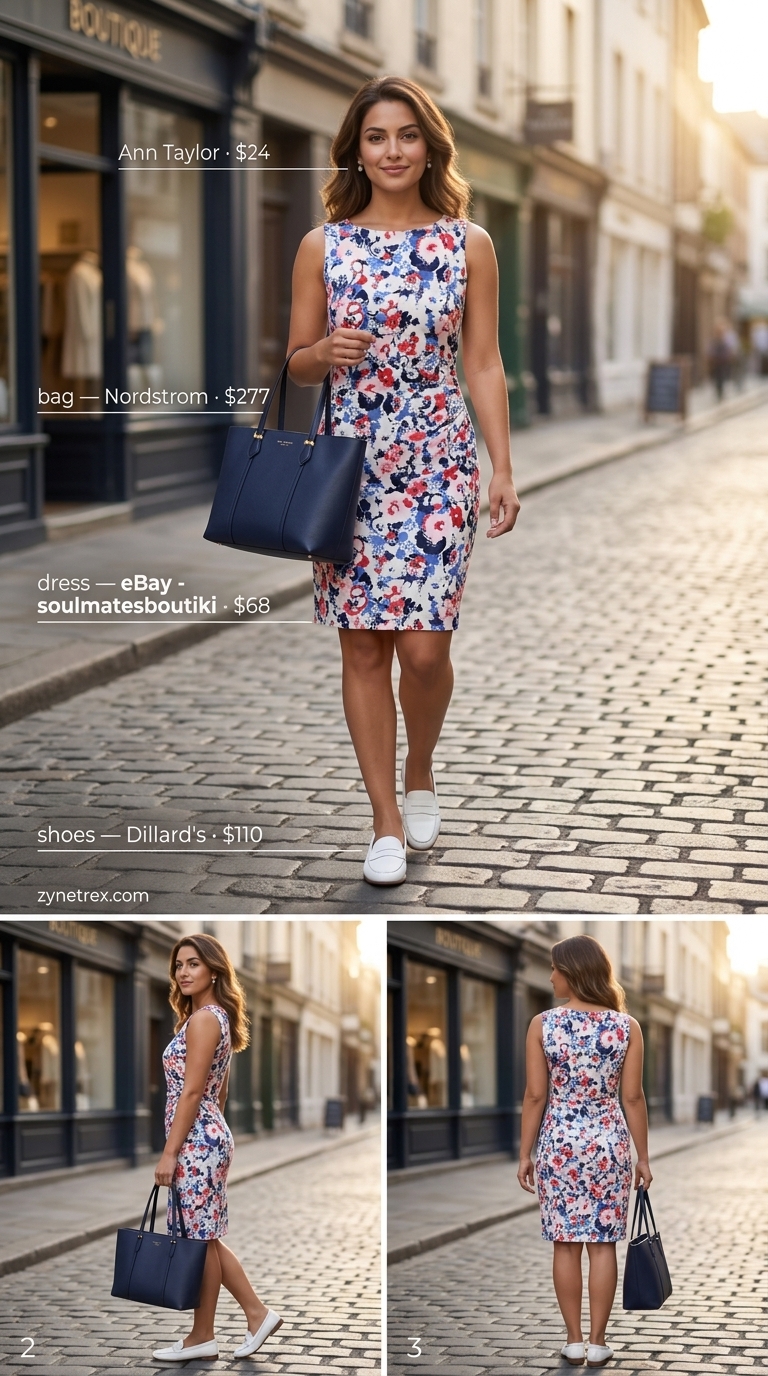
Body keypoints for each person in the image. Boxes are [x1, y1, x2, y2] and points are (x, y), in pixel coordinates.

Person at [286, 75, 520, 887]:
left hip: (438, 462)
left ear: (430, 147)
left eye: (407, 136)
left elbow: (483, 362)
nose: (391, 151)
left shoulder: (469, 244)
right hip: (349, 463)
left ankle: (421, 766)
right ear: (355, 147)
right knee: (363, 646)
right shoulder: (324, 245)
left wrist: (502, 467)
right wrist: (325, 355)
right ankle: (385, 819)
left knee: (423, 651)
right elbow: (294, 360)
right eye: (376, 137)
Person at [517, 935, 652, 1369]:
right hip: (609, 1147)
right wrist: (643, 1157)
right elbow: (632, 1098)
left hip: (559, 1147)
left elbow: (535, 1097)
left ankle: (573, 1341)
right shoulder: (625, 1027)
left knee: (565, 1245)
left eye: (556, 968)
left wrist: (525, 1153)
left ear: (573, 972)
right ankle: (598, 1342)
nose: (551, 975)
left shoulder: (544, 1024)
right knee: (602, 1246)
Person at [151, 934, 282, 1362]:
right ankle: (226, 1326)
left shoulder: (206, 1019)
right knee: (202, 1239)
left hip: (195, 1140)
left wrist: (172, 1151)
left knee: (199, 1238)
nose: (183, 972)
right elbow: (218, 1092)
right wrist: (211, 1133)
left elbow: (192, 1093)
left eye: (193, 964)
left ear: (214, 970)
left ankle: (216, 1330)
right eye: (178, 965)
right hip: (206, 1136)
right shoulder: (214, 1018)